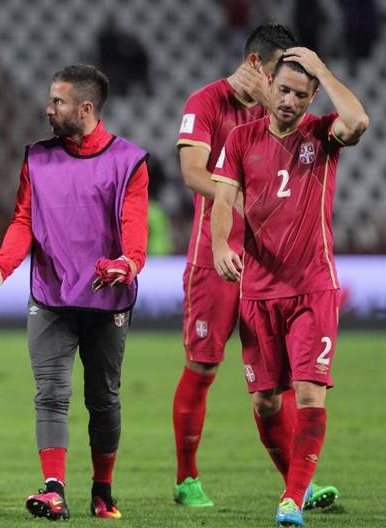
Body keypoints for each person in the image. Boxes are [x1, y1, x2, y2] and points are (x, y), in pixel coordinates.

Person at [0, 64, 149, 521]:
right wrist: (1, 269)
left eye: (57, 102)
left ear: (85, 108)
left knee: (103, 400)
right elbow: (24, 219)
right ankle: (54, 490)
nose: (48, 109)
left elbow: (134, 228)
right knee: (50, 394)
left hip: (106, 299)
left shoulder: (129, 161)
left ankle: (102, 491)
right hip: (50, 297)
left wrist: (128, 264)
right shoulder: (37, 158)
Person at [211, 49, 367, 527]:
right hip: (258, 290)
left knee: (309, 393)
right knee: (265, 401)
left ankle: (292, 500)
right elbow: (223, 199)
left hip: (313, 287)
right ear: (270, 86)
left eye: (301, 94)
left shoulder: (322, 135)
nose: (289, 101)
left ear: (312, 97)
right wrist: (220, 244)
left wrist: (322, 69)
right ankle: (298, 485)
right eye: (283, 89)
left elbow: (358, 121)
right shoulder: (241, 138)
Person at [172, 23, 299, 507]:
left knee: (275, 382)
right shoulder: (206, 103)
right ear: (254, 64)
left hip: (267, 265)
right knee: (202, 366)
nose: (285, 87)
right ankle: (186, 479)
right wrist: (240, 197)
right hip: (215, 258)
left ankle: (297, 486)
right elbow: (192, 173)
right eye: (279, 74)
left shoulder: (278, 113)